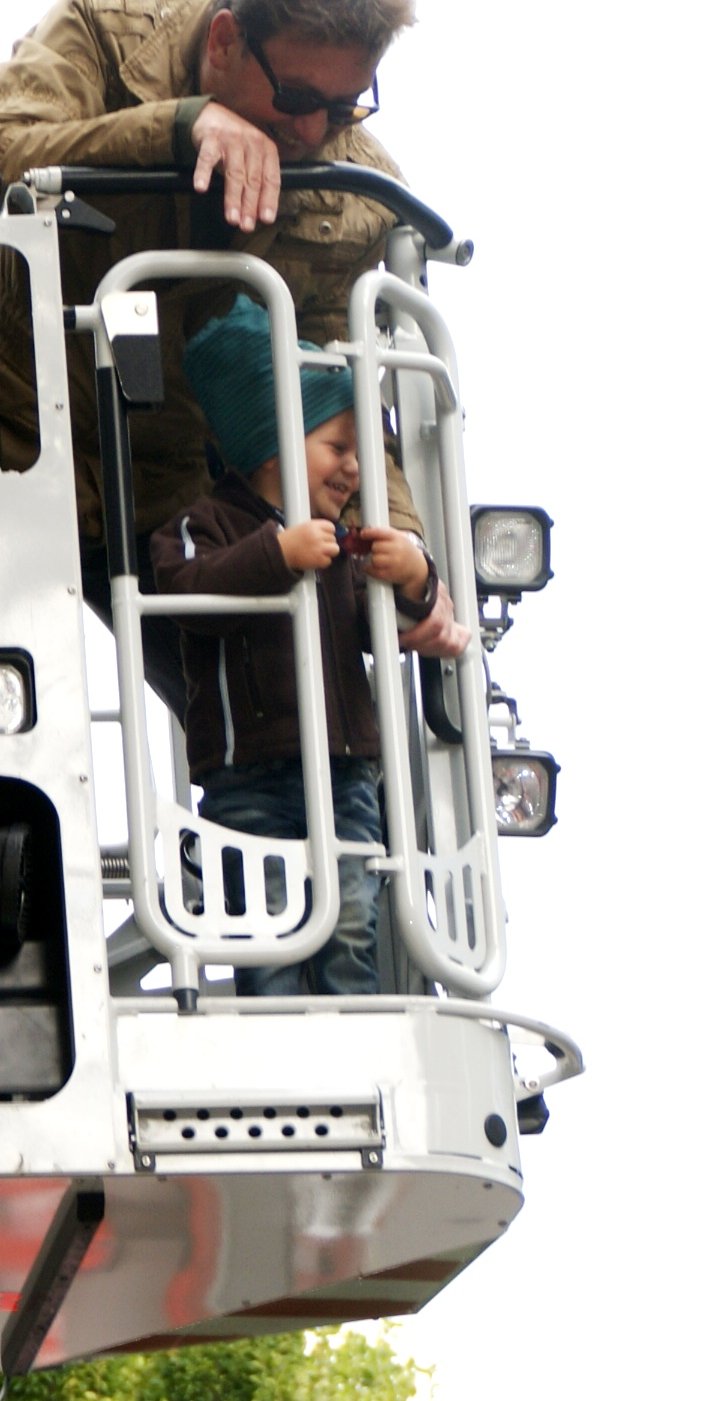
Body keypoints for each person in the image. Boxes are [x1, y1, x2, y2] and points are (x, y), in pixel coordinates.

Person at [0, 0, 468, 714]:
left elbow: (332, 390)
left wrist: (404, 542)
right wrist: (179, 129)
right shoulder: (104, 27)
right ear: (223, 41)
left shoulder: (355, 186)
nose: (312, 132)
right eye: (296, 99)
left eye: (345, 105)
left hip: (176, 501)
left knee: (293, 734)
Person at [151, 301, 440, 997]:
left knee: (352, 924)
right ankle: (273, 1035)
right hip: (250, 775)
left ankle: (352, 1036)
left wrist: (414, 578)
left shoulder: (342, 540)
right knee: (269, 930)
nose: (355, 470)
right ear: (274, 439)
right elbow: (186, 589)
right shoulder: (206, 522)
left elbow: (382, 628)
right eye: (338, 449)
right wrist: (276, 554)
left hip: (346, 773)